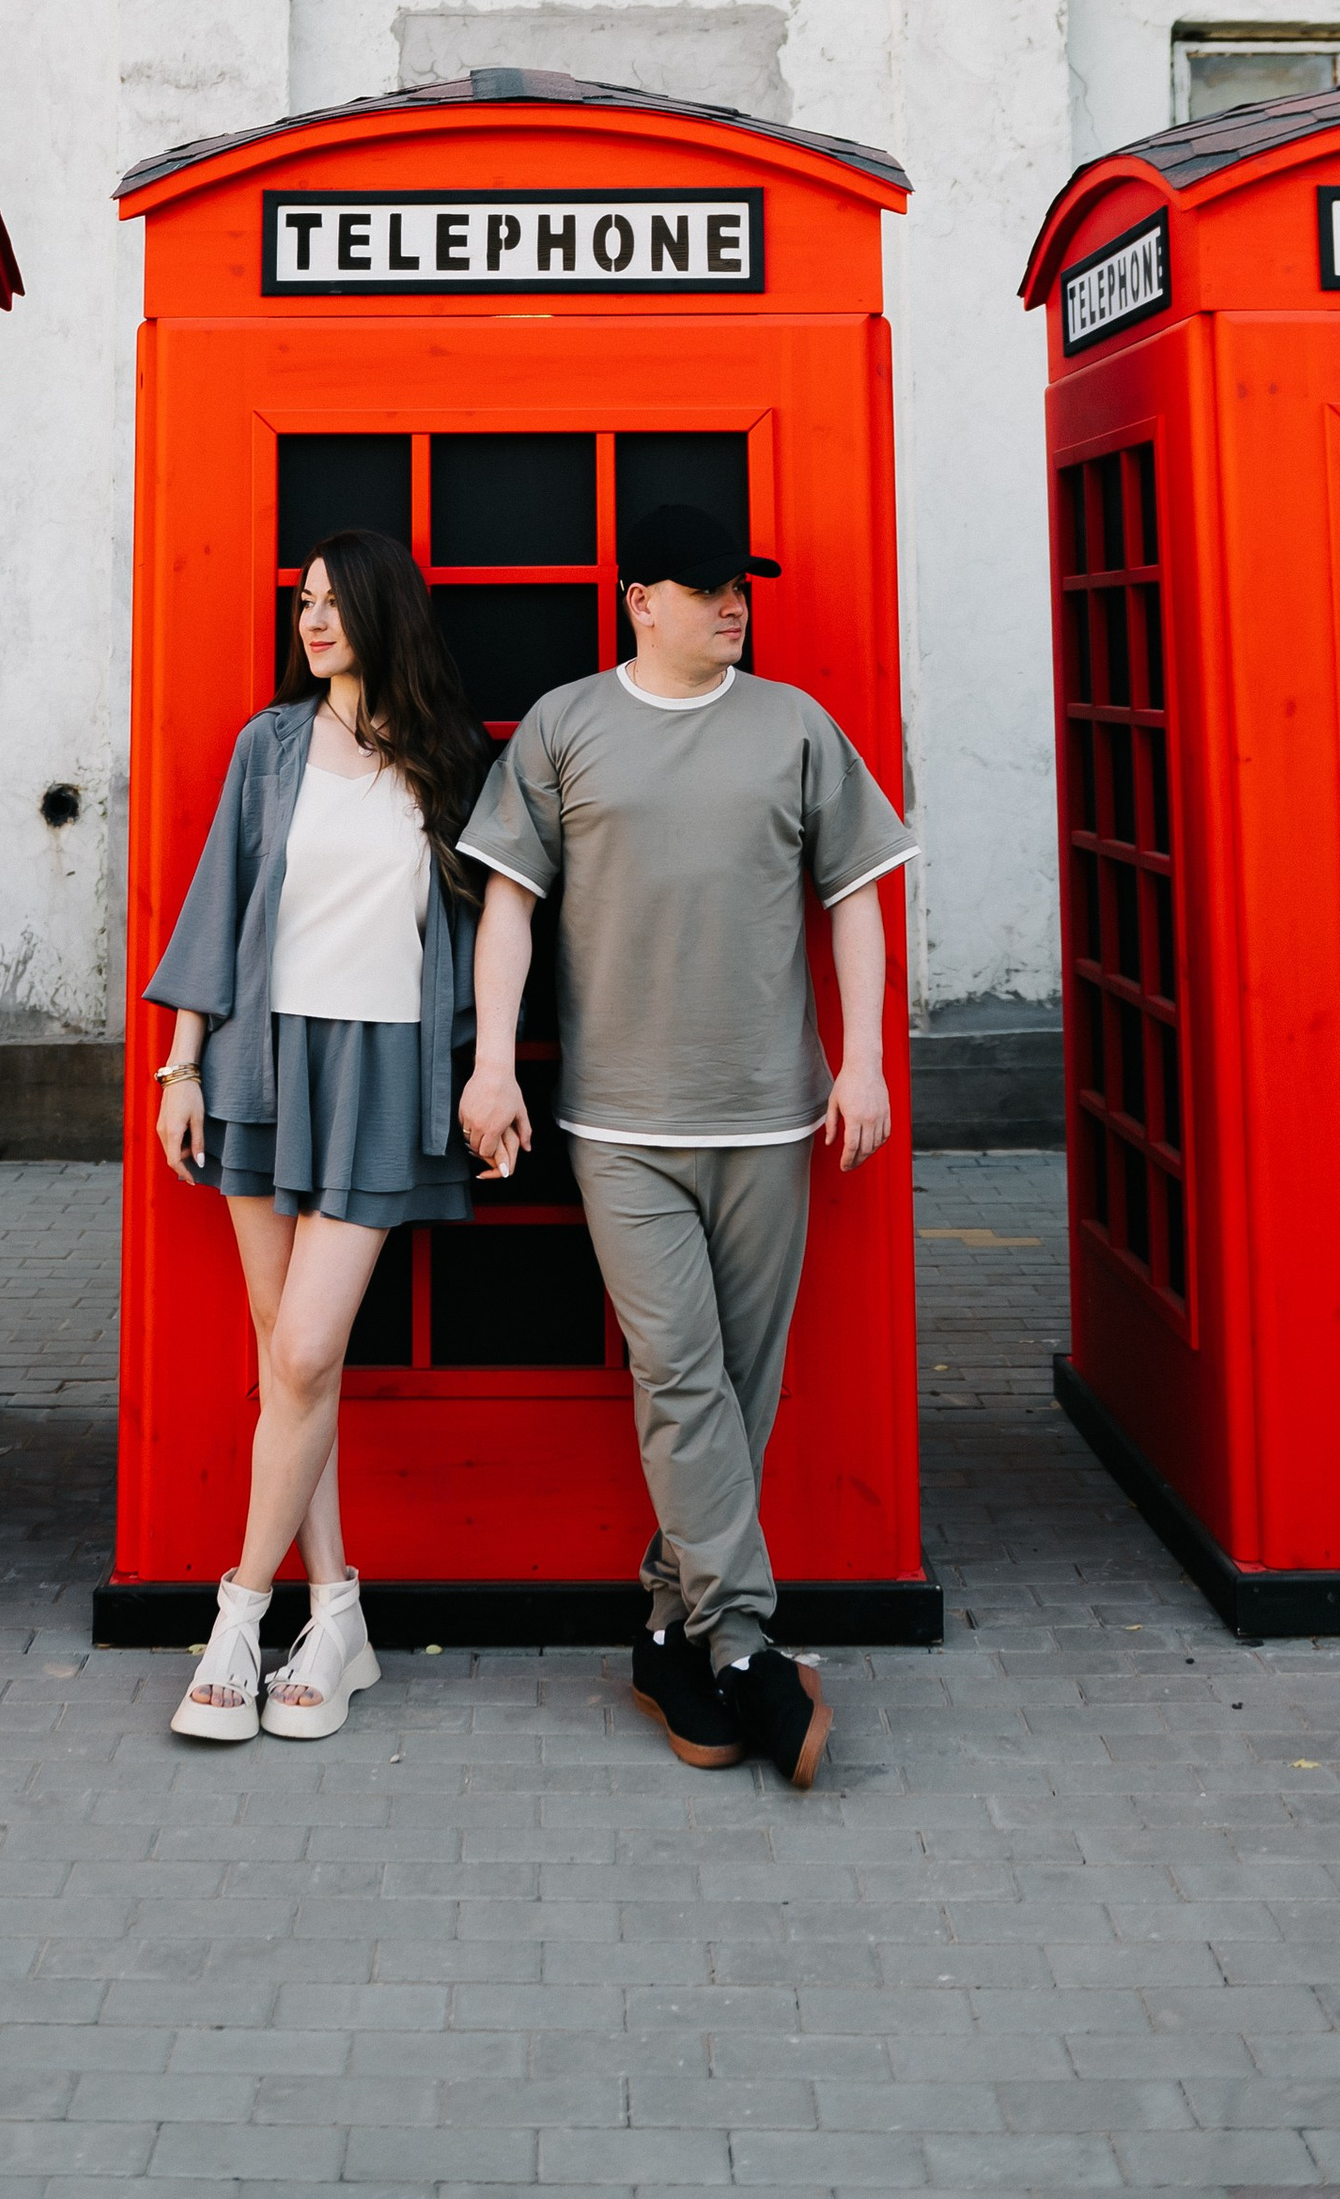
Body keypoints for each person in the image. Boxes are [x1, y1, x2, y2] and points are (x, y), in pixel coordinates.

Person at [456, 502, 915, 1791]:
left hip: (770, 1113)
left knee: (739, 1390)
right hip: (619, 1122)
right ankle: (748, 1642)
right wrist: (492, 1062)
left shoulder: (796, 725)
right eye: (705, 586)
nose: (732, 603)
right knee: (677, 1377)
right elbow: (508, 905)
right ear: (637, 600)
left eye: (741, 585)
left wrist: (863, 1059)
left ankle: (667, 1630)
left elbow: (856, 897)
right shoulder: (563, 725)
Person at [144, 527, 489, 1745]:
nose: (314, 620)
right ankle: (334, 1610)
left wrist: (487, 1067)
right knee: (294, 1362)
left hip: (383, 1070)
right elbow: (218, 898)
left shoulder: (450, 758)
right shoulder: (272, 742)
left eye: (336, 601)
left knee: (298, 1353)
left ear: (387, 611)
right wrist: (181, 1063)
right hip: (263, 1061)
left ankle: (239, 1617)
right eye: (303, 601)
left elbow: (496, 924)